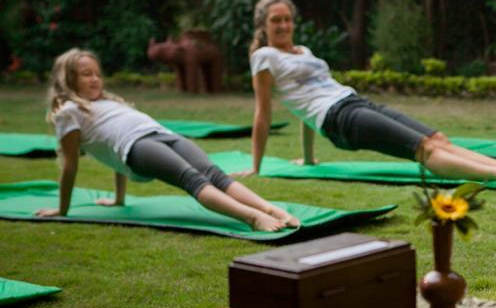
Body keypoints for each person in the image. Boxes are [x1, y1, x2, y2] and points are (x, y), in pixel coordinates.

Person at [234, 0, 496, 182]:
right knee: (423, 150)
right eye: (276, 20)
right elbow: (263, 112)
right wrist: (255, 167)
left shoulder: (302, 51)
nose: (284, 25)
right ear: (263, 25)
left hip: (353, 101)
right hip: (339, 121)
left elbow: (302, 107)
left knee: (437, 138)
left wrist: (309, 159)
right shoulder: (264, 57)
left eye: (288, 19)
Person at [36, 48, 299, 232]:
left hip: (162, 134)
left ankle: (271, 209)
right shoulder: (68, 111)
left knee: (214, 174)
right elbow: (71, 164)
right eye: (85, 74)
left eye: (96, 73)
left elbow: (109, 151)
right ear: (68, 79)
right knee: (193, 180)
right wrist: (62, 209)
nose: (94, 79)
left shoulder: (106, 101)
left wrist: (118, 199)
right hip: (137, 148)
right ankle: (253, 218)